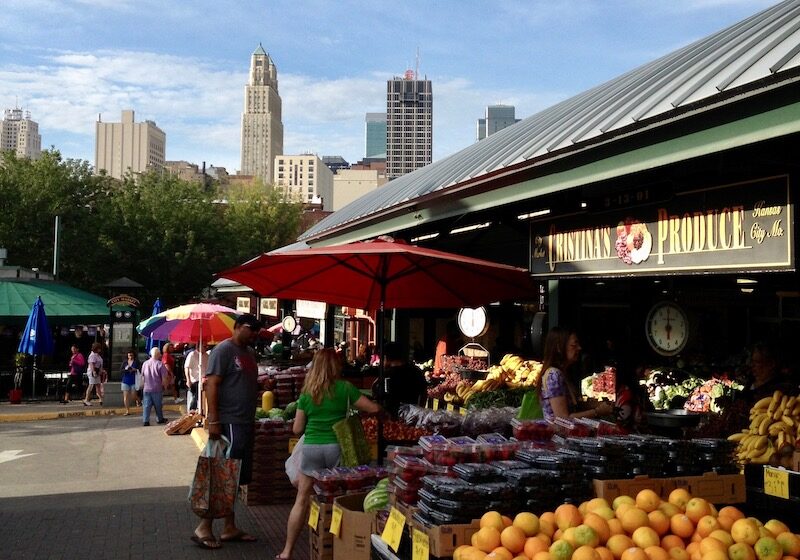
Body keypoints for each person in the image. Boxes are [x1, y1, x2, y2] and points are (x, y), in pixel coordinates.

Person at [276, 347, 381, 560]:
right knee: (338, 498)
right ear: (335, 366)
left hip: (311, 448)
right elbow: (373, 409)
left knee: (302, 498)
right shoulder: (345, 388)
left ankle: (287, 551)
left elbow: (297, 429)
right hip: (336, 447)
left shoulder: (307, 394)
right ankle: (336, 549)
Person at [192, 314, 263, 550]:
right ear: (237, 327)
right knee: (223, 474)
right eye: (251, 329)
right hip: (229, 421)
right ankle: (204, 527)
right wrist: (213, 420)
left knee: (235, 477)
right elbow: (211, 384)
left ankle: (229, 526)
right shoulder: (224, 350)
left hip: (244, 421)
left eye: (257, 330)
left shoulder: (249, 354)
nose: (254, 334)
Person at [538, 327, 613, 421]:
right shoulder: (554, 375)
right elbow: (562, 418)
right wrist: (597, 411)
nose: (579, 348)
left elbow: (573, 406)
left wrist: (596, 405)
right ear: (558, 347)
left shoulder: (563, 373)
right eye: (574, 345)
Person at [372, 341, 427, 415]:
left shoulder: (387, 375)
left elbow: (376, 395)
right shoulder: (416, 371)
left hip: (392, 419)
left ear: (386, 357)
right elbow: (423, 394)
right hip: (414, 415)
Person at [141, 347, 168, 426]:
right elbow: (164, 378)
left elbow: (142, 376)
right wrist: (165, 386)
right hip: (157, 388)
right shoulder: (160, 364)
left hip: (147, 388)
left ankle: (145, 420)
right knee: (158, 405)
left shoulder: (145, 363)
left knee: (146, 405)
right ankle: (159, 419)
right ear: (158, 354)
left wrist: (142, 385)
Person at [184, 345, 208, 413]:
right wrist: (188, 380)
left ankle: (201, 411)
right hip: (195, 380)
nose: (206, 347)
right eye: (204, 346)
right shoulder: (192, 355)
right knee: (195, 396)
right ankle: (192, 411)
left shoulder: (206, 355)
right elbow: (187, 367)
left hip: (204, 379)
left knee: (202, 397)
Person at [120, 350, 141, 416]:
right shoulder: (125, 362)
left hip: (134, 381)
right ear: (127, 356)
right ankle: (127, 410)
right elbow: (121, 370)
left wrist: (135, 370)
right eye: (129, 355)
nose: (130, 357)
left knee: (133, 395)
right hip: (125, 381)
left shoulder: (136, 362)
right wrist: (126, 370)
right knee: (125, 397)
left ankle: (138, 400)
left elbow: (140, 369)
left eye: (131, 355)